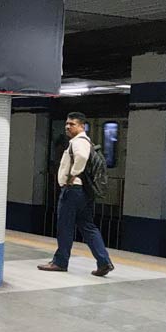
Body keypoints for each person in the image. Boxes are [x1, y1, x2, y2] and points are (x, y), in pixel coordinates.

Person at [39, 112, 114, 276]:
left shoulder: (78, 142)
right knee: (88, 227)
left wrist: (72, 175)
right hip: (84, 192)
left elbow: (81, 157)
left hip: (73, 190)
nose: (67, 126)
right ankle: (104, 262)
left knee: (64, 226)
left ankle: (60, 262)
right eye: (67, 123)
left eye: (72, 124)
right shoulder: (85, 141)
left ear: (81, 126)